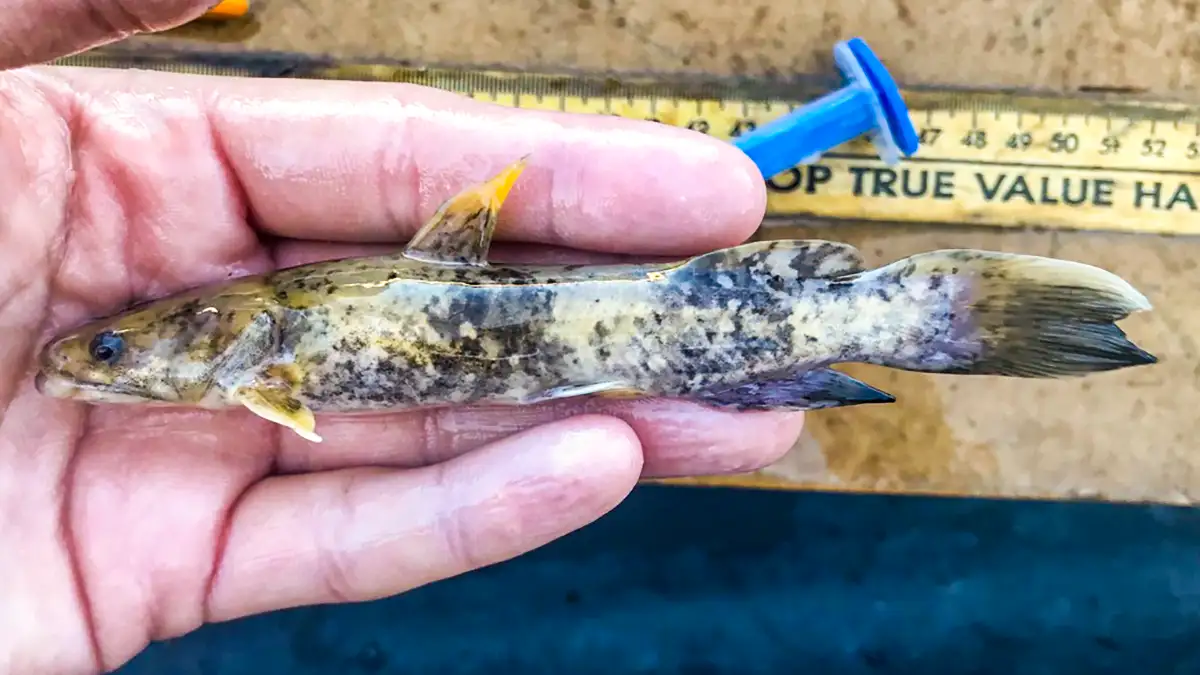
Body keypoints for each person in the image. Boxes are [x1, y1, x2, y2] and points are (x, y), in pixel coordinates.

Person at [0, 2, 806, 672]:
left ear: (220, 328)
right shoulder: (252, 372)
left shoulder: (263, 365)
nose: (93, 360)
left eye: (113, 350)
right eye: (111, 348)